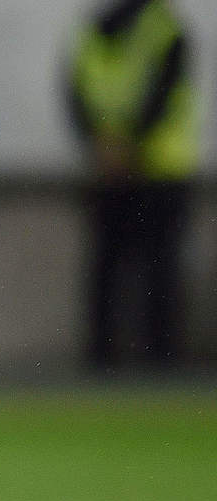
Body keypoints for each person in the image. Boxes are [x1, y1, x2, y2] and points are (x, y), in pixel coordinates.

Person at [66, 0, 199, 368]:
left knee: (116, 266)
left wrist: (105, 146)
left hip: (133, 168)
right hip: (160, 168)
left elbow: (76, 94)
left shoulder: (96, 30)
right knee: (151, 267)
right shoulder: (165, 28)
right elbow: (163, 94)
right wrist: (121, 147)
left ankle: (108, 357)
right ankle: (158, 359)